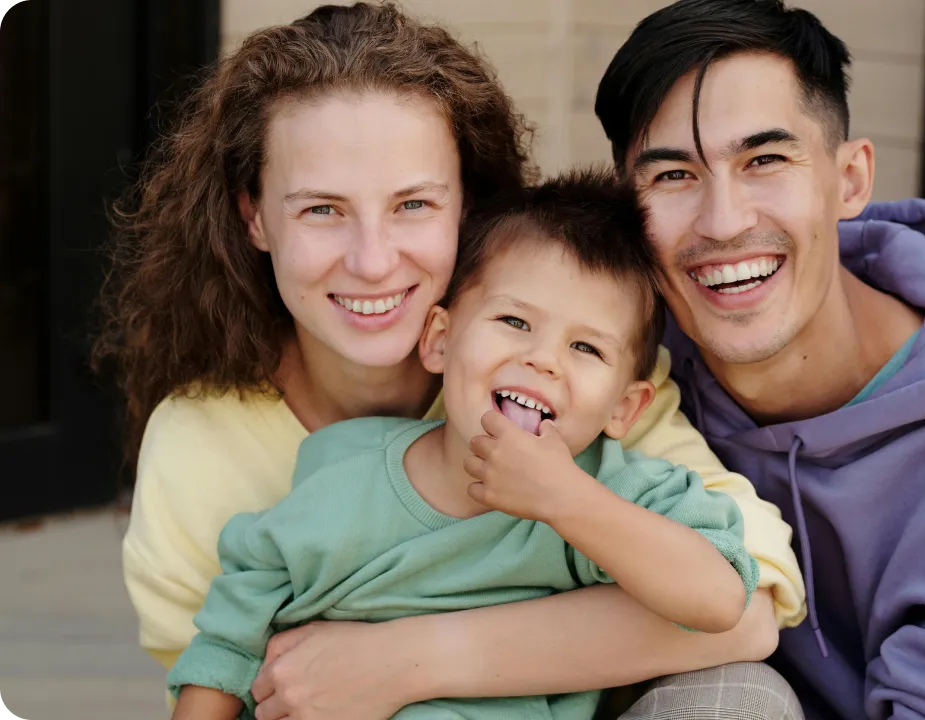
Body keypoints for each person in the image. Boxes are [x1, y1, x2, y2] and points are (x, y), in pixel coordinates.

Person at [95, 4, 807, 718]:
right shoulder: (199, 449)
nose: (372, 262)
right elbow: (218, 670)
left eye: (413, 205)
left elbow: (746, 610)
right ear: (254, 216)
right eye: (321, 210)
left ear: (465, 207)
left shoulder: (569, 390)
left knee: (740, 699)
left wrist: (404, 663)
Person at [594, 0, 925, 718]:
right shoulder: (624, 363)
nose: (724, 222)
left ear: (850, 180)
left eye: (765, 160)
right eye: (673, 176)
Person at [167, 170, 760, 720]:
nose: (543, 360)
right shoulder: (343, 476)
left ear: (623, 408)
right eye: (516, 322)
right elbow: (228, 641)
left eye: (587, 349)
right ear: (440, 341)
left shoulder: (613, 496)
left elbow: (718, 599)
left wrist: (566, 500)